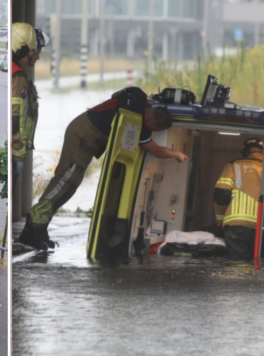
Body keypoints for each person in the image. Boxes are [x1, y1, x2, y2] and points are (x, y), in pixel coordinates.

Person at [18, 86, 188, 249]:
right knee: (64, 183)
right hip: (83, 134)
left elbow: (115, 95)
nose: (154, 132)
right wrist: (176, 154)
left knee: (70, 187)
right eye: (157, 129)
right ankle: (32, 227)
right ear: (153, 122)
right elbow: (157, 150)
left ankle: (40, 227)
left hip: (85, 130)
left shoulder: (136, 96)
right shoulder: (141, 126)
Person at [214, 137, 264, 260]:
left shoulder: (233, 165)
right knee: (258, 264)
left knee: (237, 266)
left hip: (237, 224)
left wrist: (219, 219)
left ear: (245, 151)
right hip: (263, 225)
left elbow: (221, 195)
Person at [12, 23, 49, 181]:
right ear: (25, 50)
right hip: (13, 155)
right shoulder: (18, 77)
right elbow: (16, 118)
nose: (38, 56)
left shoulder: (16, 72)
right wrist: (19, 156)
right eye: (36, 51)